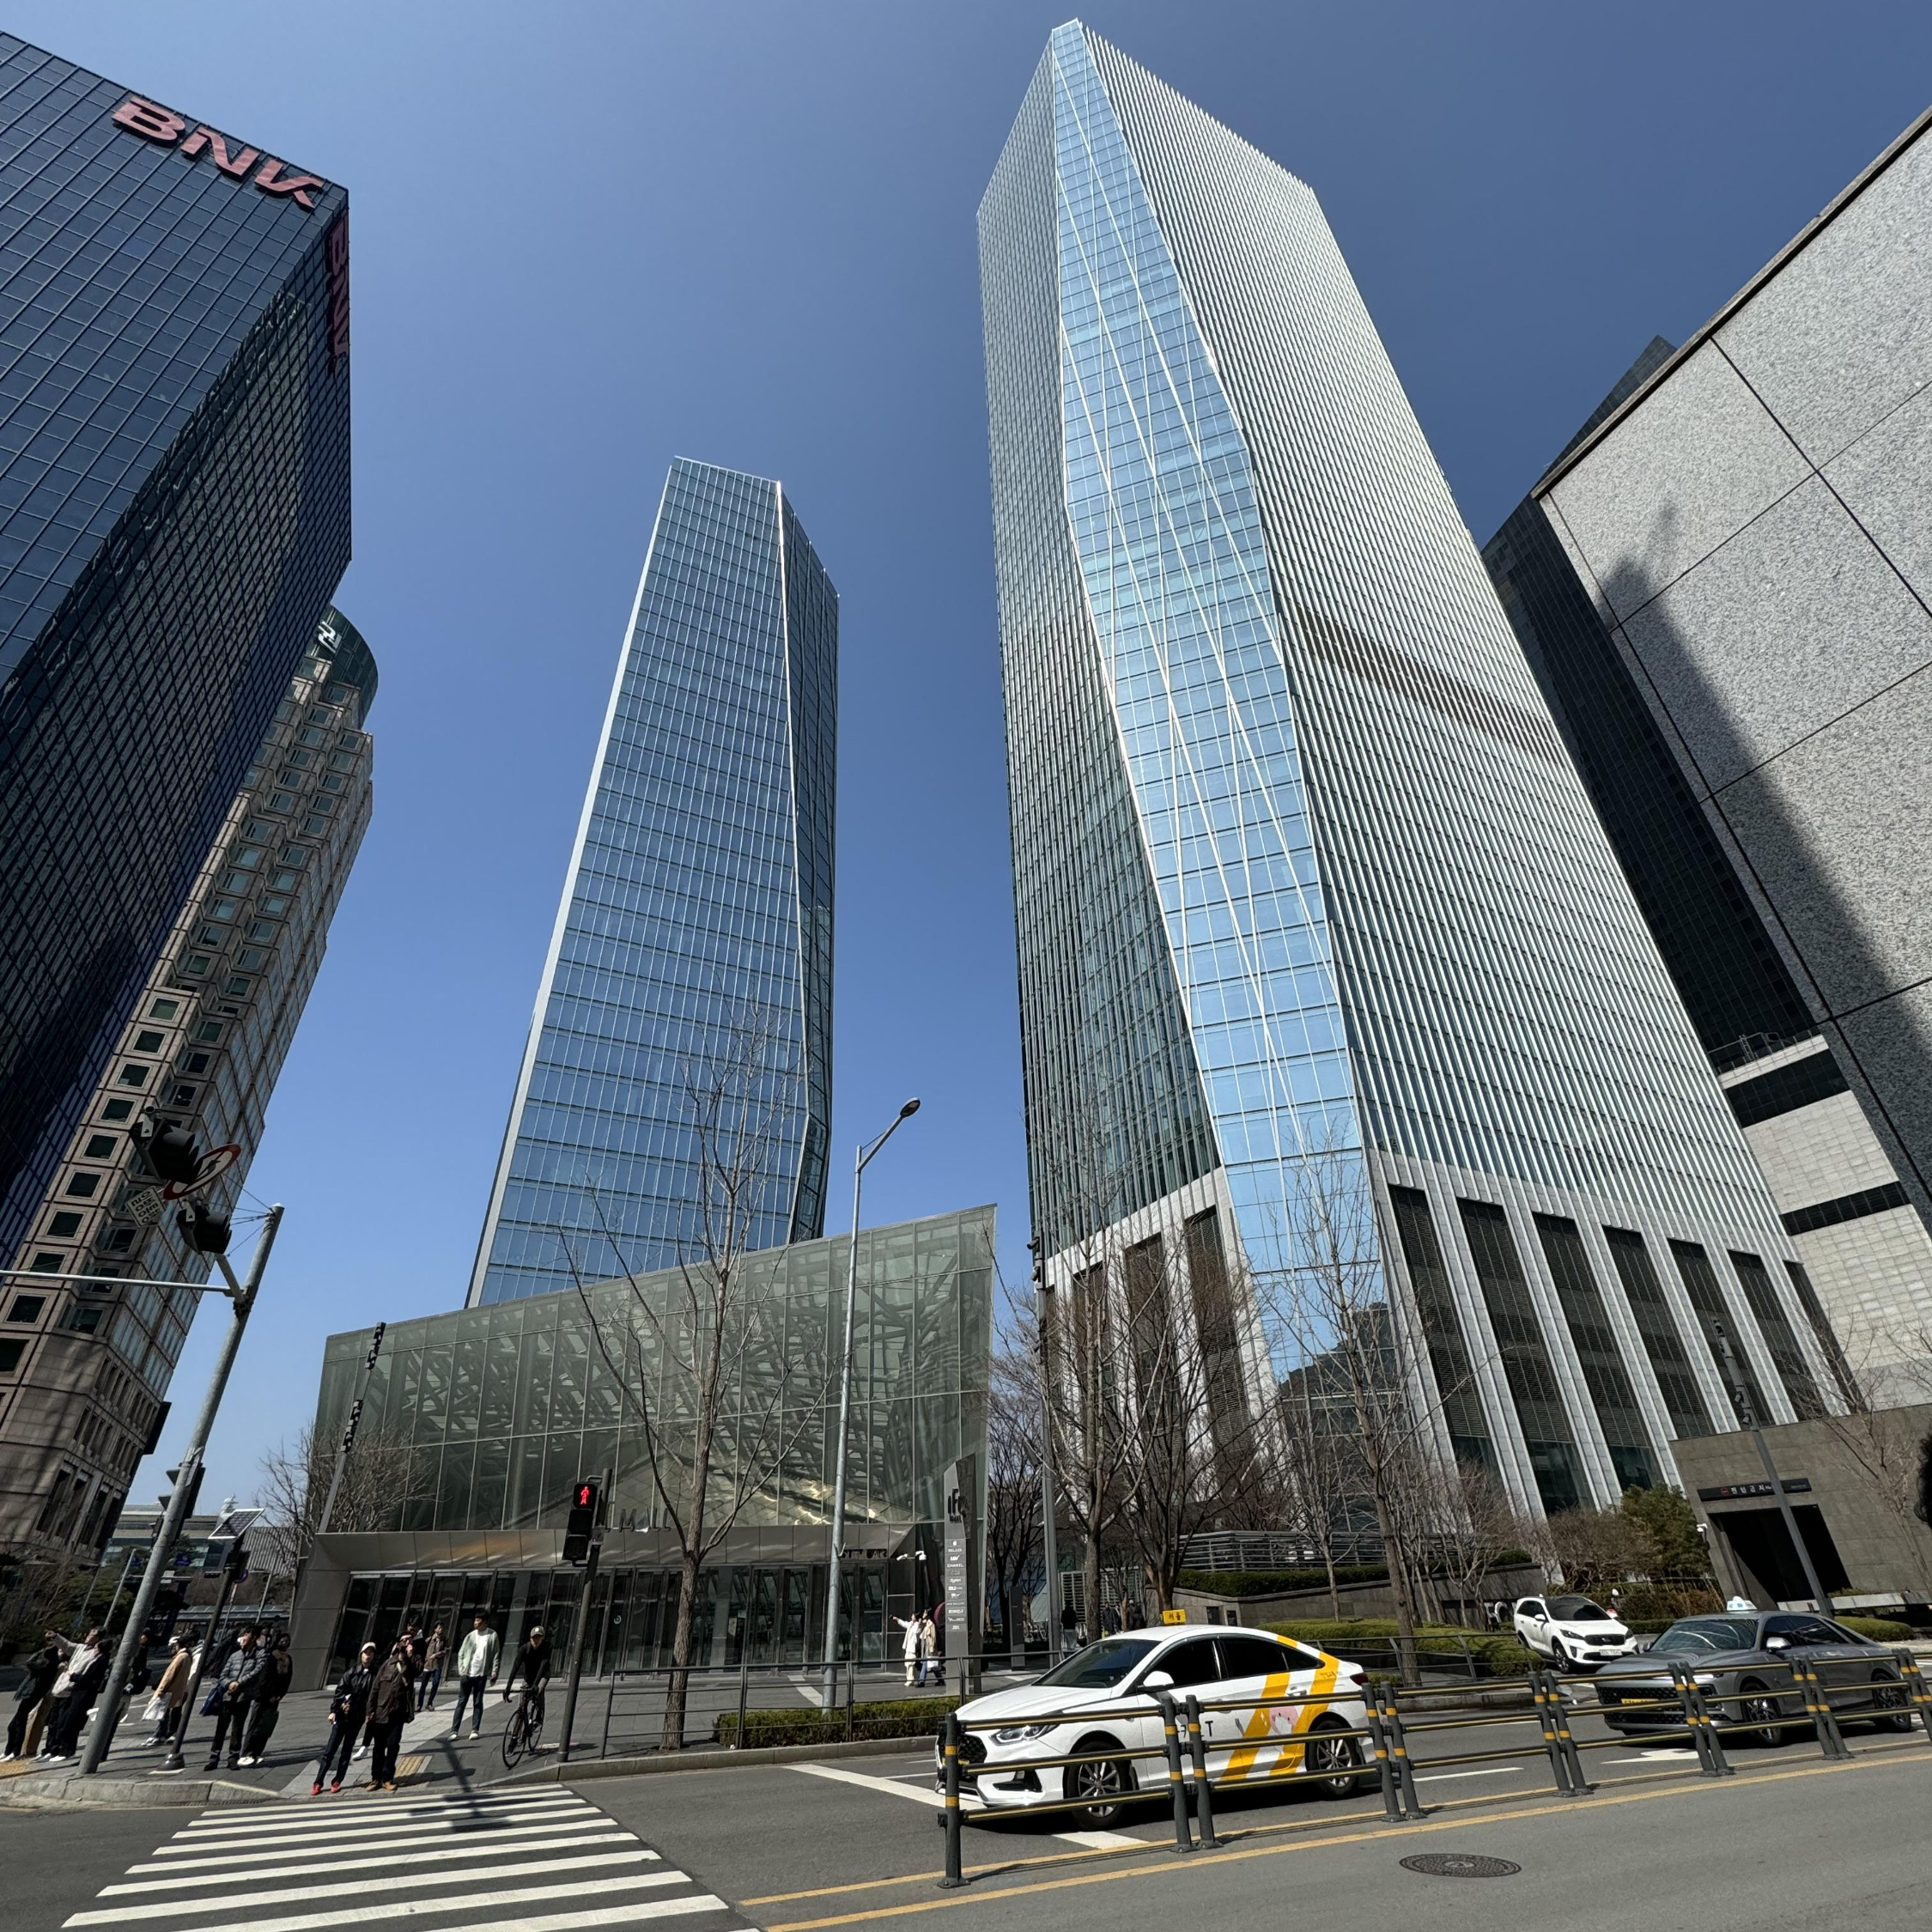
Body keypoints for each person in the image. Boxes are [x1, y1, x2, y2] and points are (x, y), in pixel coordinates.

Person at [39, 1627, 109, 1764]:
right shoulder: (80, 1648)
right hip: (61, 1687)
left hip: (72, 1690)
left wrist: (74, 1677)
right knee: (53, 1723)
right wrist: (56, 1637)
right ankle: (49, 1750)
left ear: (98, 1639)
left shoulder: (96, 1656)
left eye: (92, 1635)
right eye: (89, 1633)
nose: (88, 1636)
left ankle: (61, 1750)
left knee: (64, 1724)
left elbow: (89, 1677)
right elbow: (67, 1645)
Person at [315, 1642, 378, 1795]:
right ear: (361, 1654)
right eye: (366, 1652)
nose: (368, 1656)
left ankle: (337, 1781)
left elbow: (373, 1696)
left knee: (347, 1751)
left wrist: (369, 1713)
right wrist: (334, 1710)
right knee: (330, 1750)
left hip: (357, 1718)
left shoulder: (374, 1675)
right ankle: (318, 1782)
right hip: (343, 1715)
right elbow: (339, 1691)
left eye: (371, 1653)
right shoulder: (351, 1673)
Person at [203, 1626, 264, 1771]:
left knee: (237, 1727)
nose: (244, 1638)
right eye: (244, 1634)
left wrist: (239, 1683)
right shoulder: (235, 1655)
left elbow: (256, 1672)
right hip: (228, 1696)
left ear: (254, 1638)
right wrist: (229, 1684)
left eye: (247, 1635)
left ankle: (233, 1756)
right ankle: (214, 1756)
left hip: (243, 1696)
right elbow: (223, 1674)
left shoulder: (260, 1654)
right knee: (221, 1727)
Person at [3, 1633, 64, 1760]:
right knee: (14, 1724)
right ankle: (10, 1751)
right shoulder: (50, 1662)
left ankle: (14, 1752)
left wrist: (41, 1652)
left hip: (33, 1693)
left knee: (18, 1722)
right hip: (32, 1693)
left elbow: (29, 1662)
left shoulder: (48, 1663)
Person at [365, 1642, 415, 1791]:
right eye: (401, 1649)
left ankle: (387, 1778)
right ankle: (375, 1778)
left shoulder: (409, 1666)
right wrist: (370, 1711)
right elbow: (375, 1689)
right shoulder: (386, 1665)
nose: (402, 1652)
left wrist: (409, 1657)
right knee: (378, 1747)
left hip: (397, 1714)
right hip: (381, 1712)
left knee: (393, 1746)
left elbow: (412, 1675)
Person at [239, 1632, 293, 1765]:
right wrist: (266, 1695)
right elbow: (265, 1678)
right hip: (263, 1696)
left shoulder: (288, 1659)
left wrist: (280, 1694)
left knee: (266, 1726)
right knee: (255, 1724)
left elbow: (287, 1678)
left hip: (276, 1698)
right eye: (282, 1641)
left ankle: (257, 1752)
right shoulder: (271, 1656)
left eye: (287, 1641)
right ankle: (247, 1753)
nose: (285, 1643)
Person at [449, 1614, 500, 1741]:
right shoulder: (470, 1636)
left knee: (477, 1702)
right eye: (475, 1620)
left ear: (485, 1622)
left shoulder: (492, 1635)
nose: (475, 1623)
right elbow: (461, 1653)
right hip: (467, 1674)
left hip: (481, 1675)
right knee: (462, 1701)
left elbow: (496, 1654)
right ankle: (454, 1730)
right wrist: (461, 1670)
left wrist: (494, 1671)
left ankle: (475, 1729)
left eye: (478, 1621)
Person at [146, 1637, 193, 1747]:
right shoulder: (187, 1656)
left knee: (163, 1713)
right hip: (179, 1689)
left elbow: (169, 1675)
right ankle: (161, 1734)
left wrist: (161, 1689)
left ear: (178, 1645)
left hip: (171, 1689)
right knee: (167, 1712)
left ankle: (159, 1735)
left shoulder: (181, 1657)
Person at [420, 1625, 446, 1710]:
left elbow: (445, 1651)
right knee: (423, 1685)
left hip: (437, 1665)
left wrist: (436, 1654)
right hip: (428, 1665)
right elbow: (422, 1649)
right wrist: (425, 1659)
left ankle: (429, 1703)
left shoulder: (444, 1640)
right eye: (439, 1628)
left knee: (435, 1684)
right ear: (435, 1629)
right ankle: (419, 1704)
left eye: (441, 1628)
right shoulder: (430, 1639)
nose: (441, 1629)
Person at [896, 1613, 921, 1687]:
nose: (911, 1616)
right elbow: (904, 1624)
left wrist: (919, 1623)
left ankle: (910, 1680)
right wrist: (897, 1620)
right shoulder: (910, 1624)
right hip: (908, 1647)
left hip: (913, 1648)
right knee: (908, 1664)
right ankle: (913, 1678)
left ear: (915, 1617)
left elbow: (918, 1631)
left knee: (911, 1664)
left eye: (913, 1615)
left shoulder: (918, 1625)